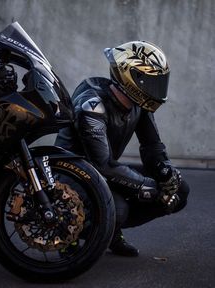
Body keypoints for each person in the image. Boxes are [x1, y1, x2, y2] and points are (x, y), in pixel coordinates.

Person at [55, 40, 190, 257]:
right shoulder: (92, 104)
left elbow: (152, 146)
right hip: (73, 178)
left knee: (179, 191)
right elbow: (104, 164)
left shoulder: (139, 104)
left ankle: (107, 232)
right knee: (118, 209)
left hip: (104, 174)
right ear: (131, 78)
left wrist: (166, 173)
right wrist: (147, 187)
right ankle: (67, 231)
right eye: (151, 81)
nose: (155, 88)